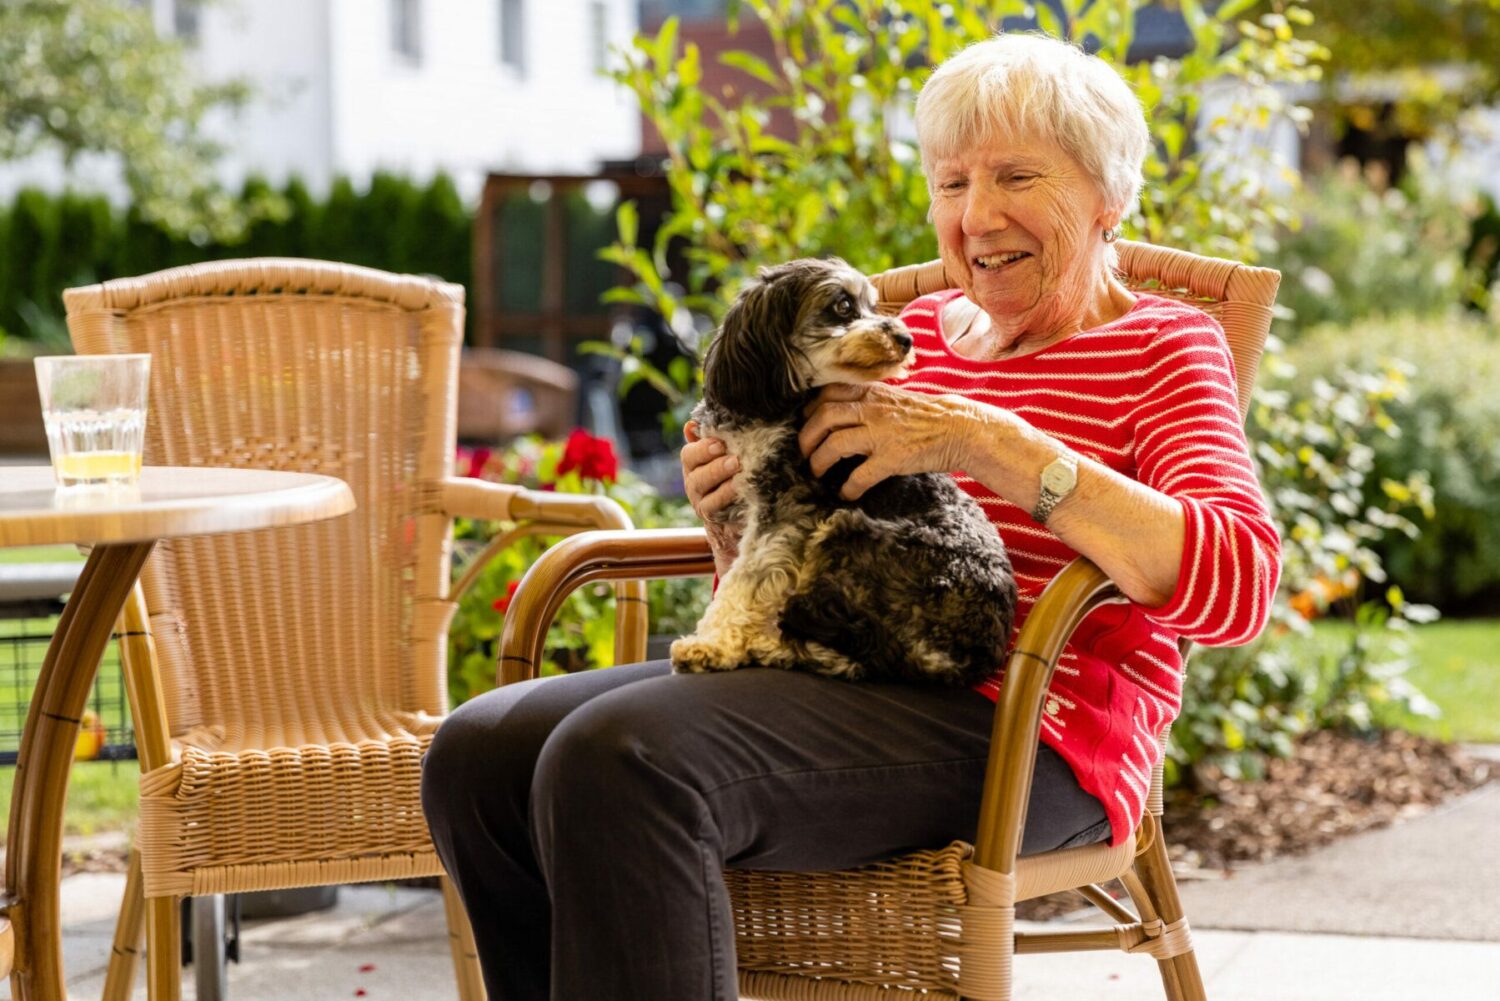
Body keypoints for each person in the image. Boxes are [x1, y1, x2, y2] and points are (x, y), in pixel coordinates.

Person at [421, 32, 1281, 1001]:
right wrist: (728, 515)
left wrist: (989, 442)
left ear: (1107, 196)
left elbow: (1238, 584)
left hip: (1033, 726)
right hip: (844, 671)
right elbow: (802, 561)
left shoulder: (1164, 347)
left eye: (1017, 177)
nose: (978, 215)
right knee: (478, 752)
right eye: (951, 183)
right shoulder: (891, 343)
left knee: (625, 757)